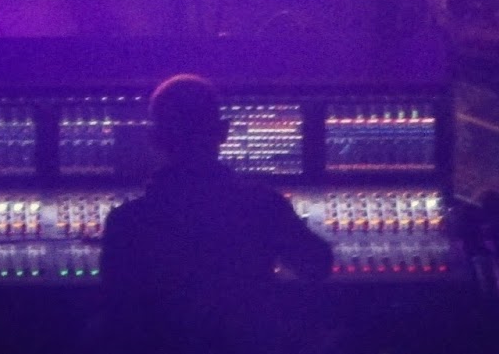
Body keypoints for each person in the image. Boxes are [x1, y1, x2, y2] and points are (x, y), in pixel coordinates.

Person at [99, 74, 333, 354]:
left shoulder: (126, 222)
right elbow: (317, 264)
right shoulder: (263, 205)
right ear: (224, 132)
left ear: (154, 139)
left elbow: (118, 313)